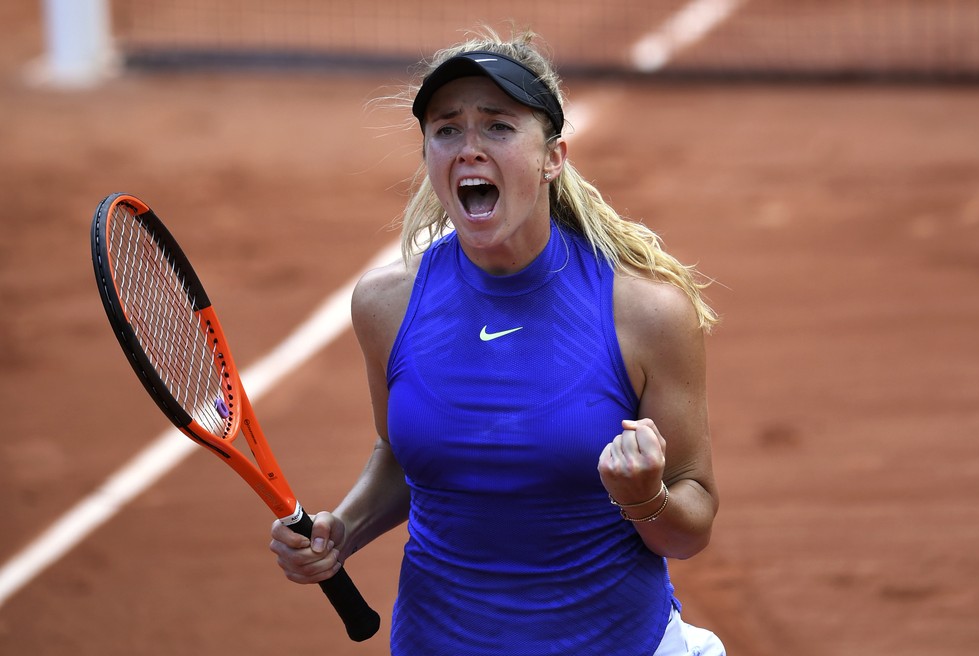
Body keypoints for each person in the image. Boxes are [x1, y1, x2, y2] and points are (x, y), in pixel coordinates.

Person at [269, 27, 725, 656]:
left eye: (498, 127)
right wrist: (341, 530)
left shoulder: (644, 311)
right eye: (447, 128)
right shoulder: (386, 305)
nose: (468, 148)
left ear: (553, 158)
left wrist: (645, 498)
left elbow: (691, 525)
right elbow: (402, 457)